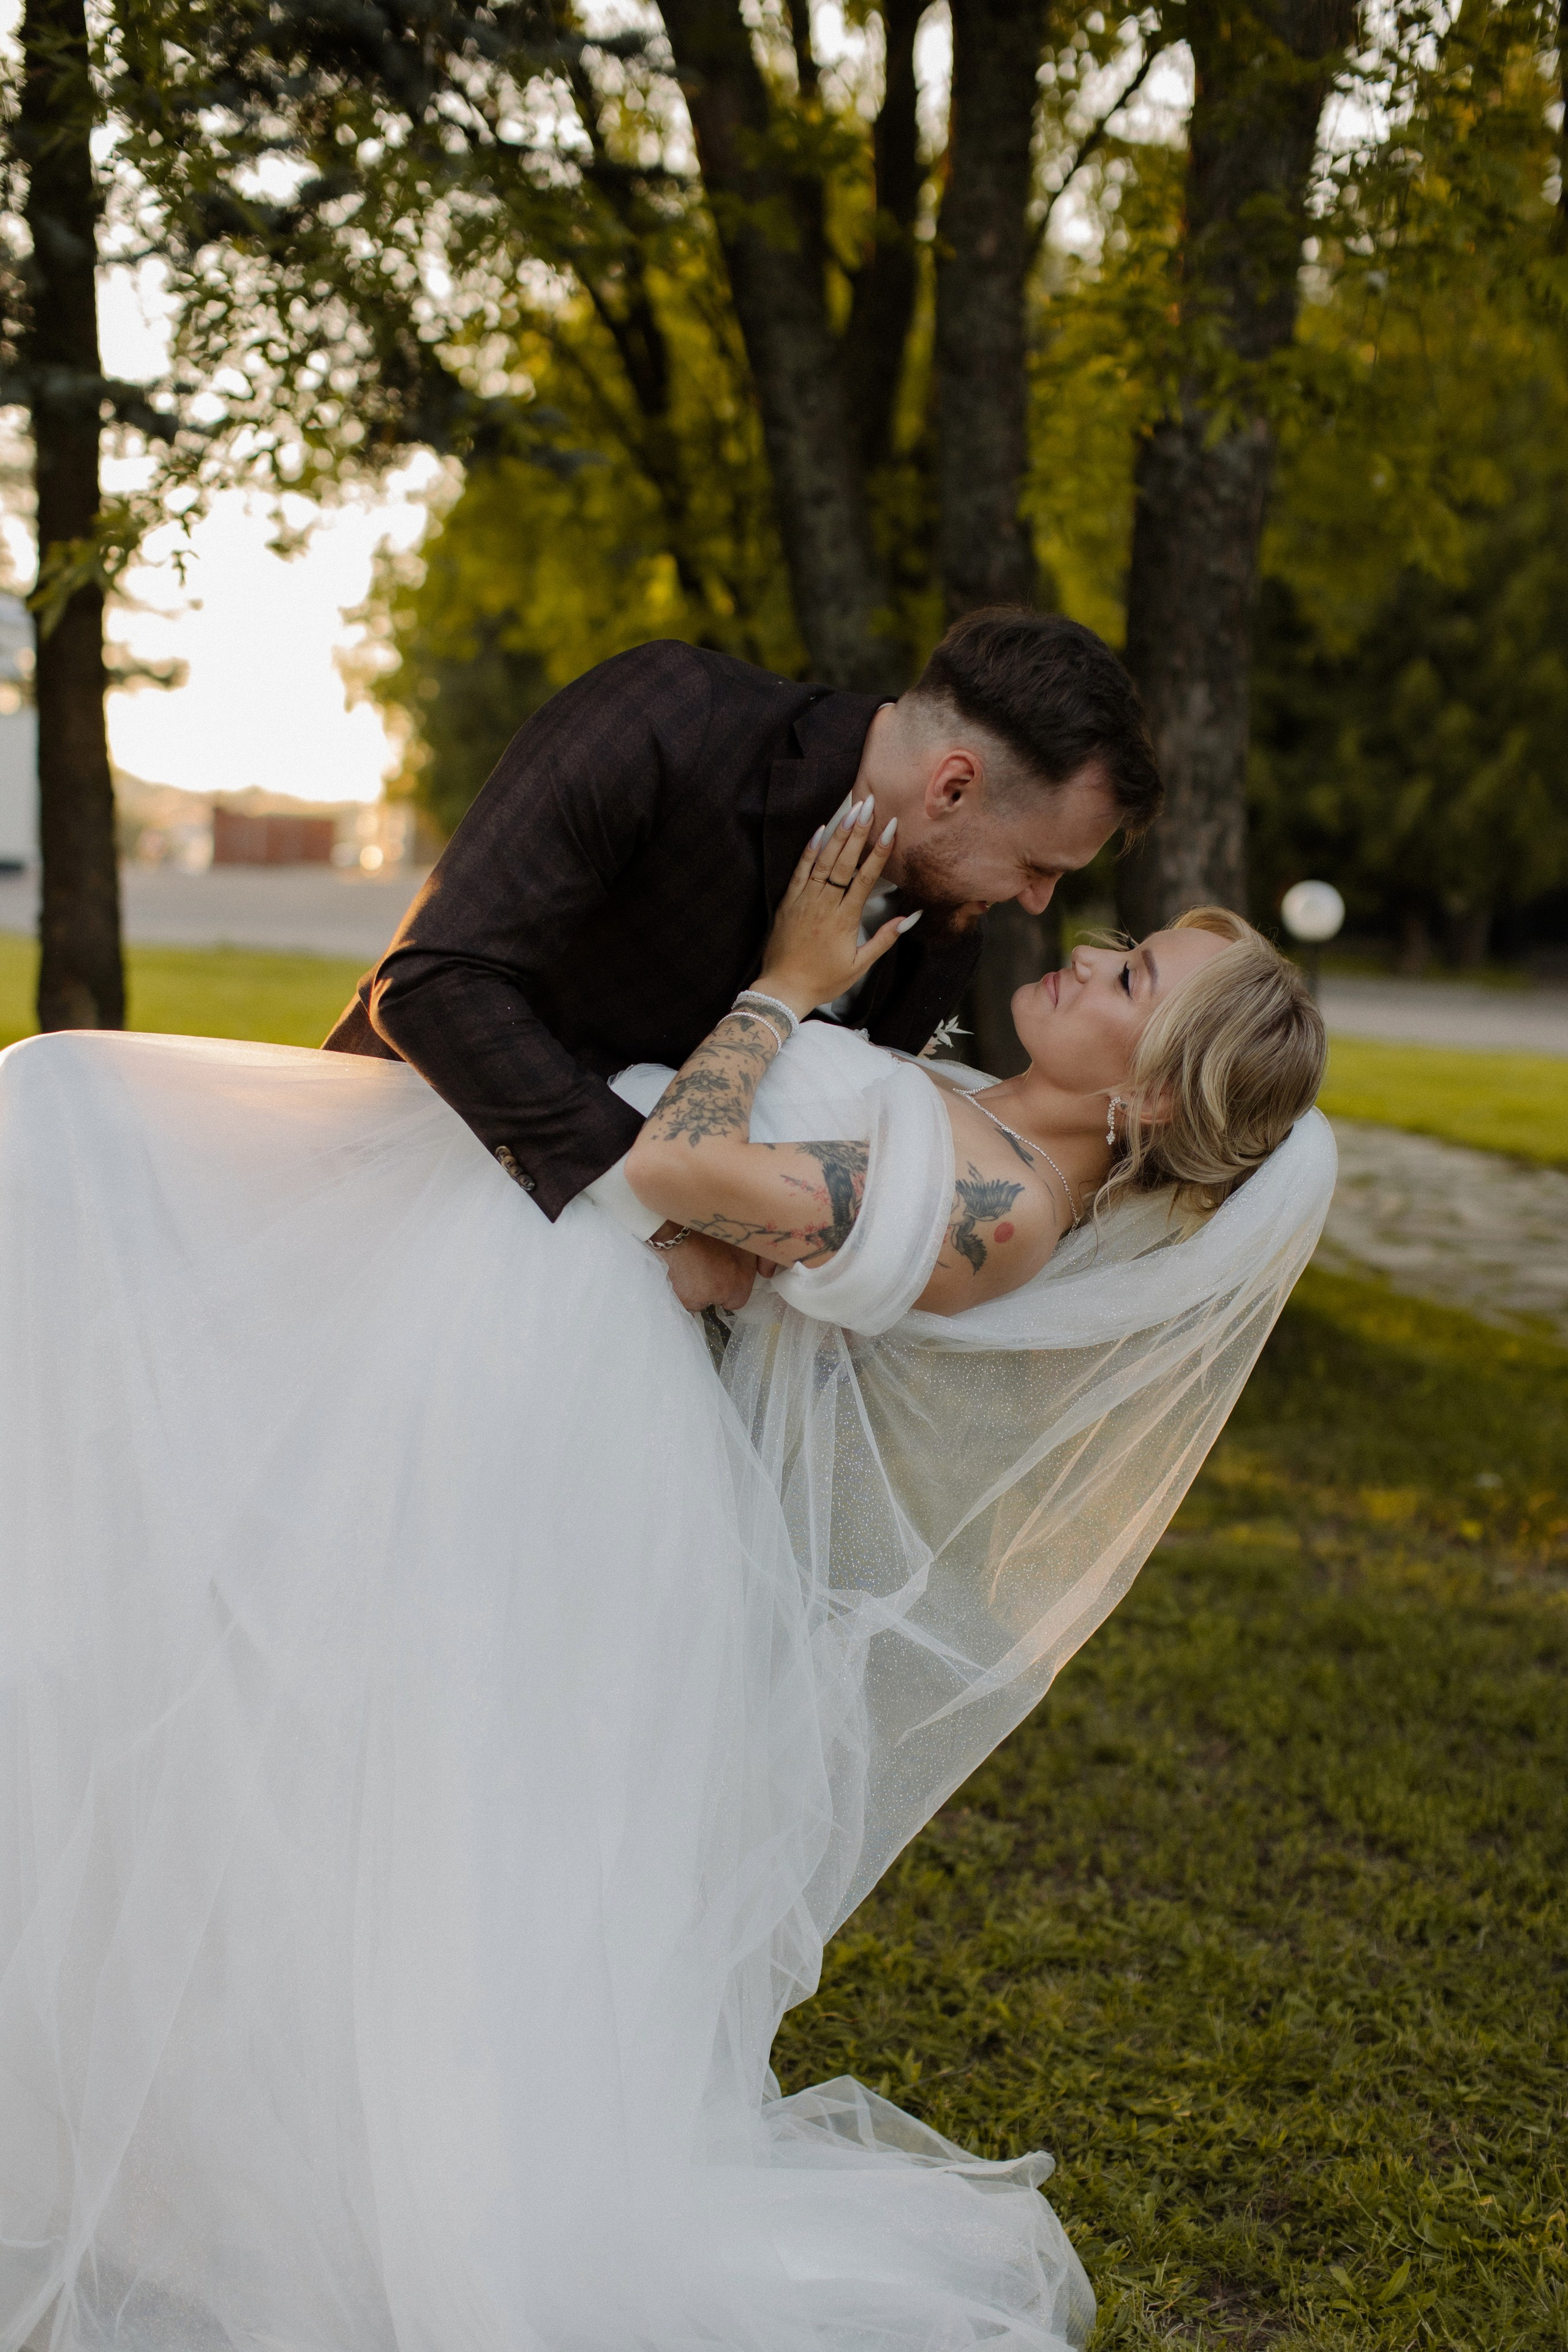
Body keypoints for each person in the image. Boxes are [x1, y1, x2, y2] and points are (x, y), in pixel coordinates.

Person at [0, 807, 1333, 2352]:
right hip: (517, 1276)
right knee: (75, 1126)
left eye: (1130, 977)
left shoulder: (1006, 1213)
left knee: (330, 1699)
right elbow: (708, 1225)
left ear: (1153, 1090)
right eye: (1121, 944)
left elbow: (677, 1164)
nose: (1093, 953)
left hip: (540, 1359)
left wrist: (786, 981)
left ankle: (298, 2155)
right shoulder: (964, 1105)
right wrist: (717, 1221)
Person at [322, 606, 1163, 1311]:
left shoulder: (943, 927)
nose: (1040, 903)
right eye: (1037, 867)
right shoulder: (673, 717)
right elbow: (433, 980)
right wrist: (664, 1221)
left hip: (645, 1344)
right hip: (403, 1209)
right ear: (951, 787)